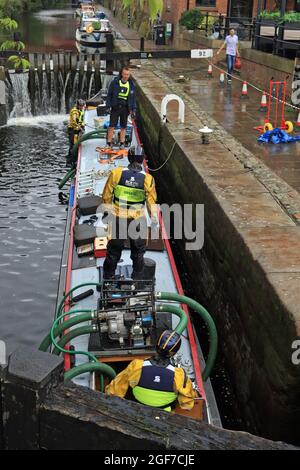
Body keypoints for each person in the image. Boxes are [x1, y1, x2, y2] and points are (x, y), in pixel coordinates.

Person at [102, 145, 157, 280]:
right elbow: (151, 202)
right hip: (137, 220)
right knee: (138, 252)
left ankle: (108, 278)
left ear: (128, 158)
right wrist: (154, 220)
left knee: (114, 251)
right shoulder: (148, 179)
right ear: (142, 159)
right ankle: (137, 280)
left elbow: (106, 196)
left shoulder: (116, 173)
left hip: (117, 218)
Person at [106, 330, 197, 411]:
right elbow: (187, 405)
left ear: (156, 346)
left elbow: (114, 392)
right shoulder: (179, 375)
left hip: (136, 410)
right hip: (165, 417)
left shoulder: (137, 366)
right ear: (174, 353)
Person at [106, 66, 136, 150]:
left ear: (129, 75)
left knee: (123, 126)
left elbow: (133, 99)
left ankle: (122, 143)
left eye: (127, 74)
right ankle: (109, 143)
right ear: (121, 74)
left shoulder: (132, 85)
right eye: (124, 74)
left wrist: (134, 109)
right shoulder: (114, 82)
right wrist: (108, 106)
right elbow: (109, 95)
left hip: (125, 108)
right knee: (112, 125)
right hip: (115, 107)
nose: (126, 76)